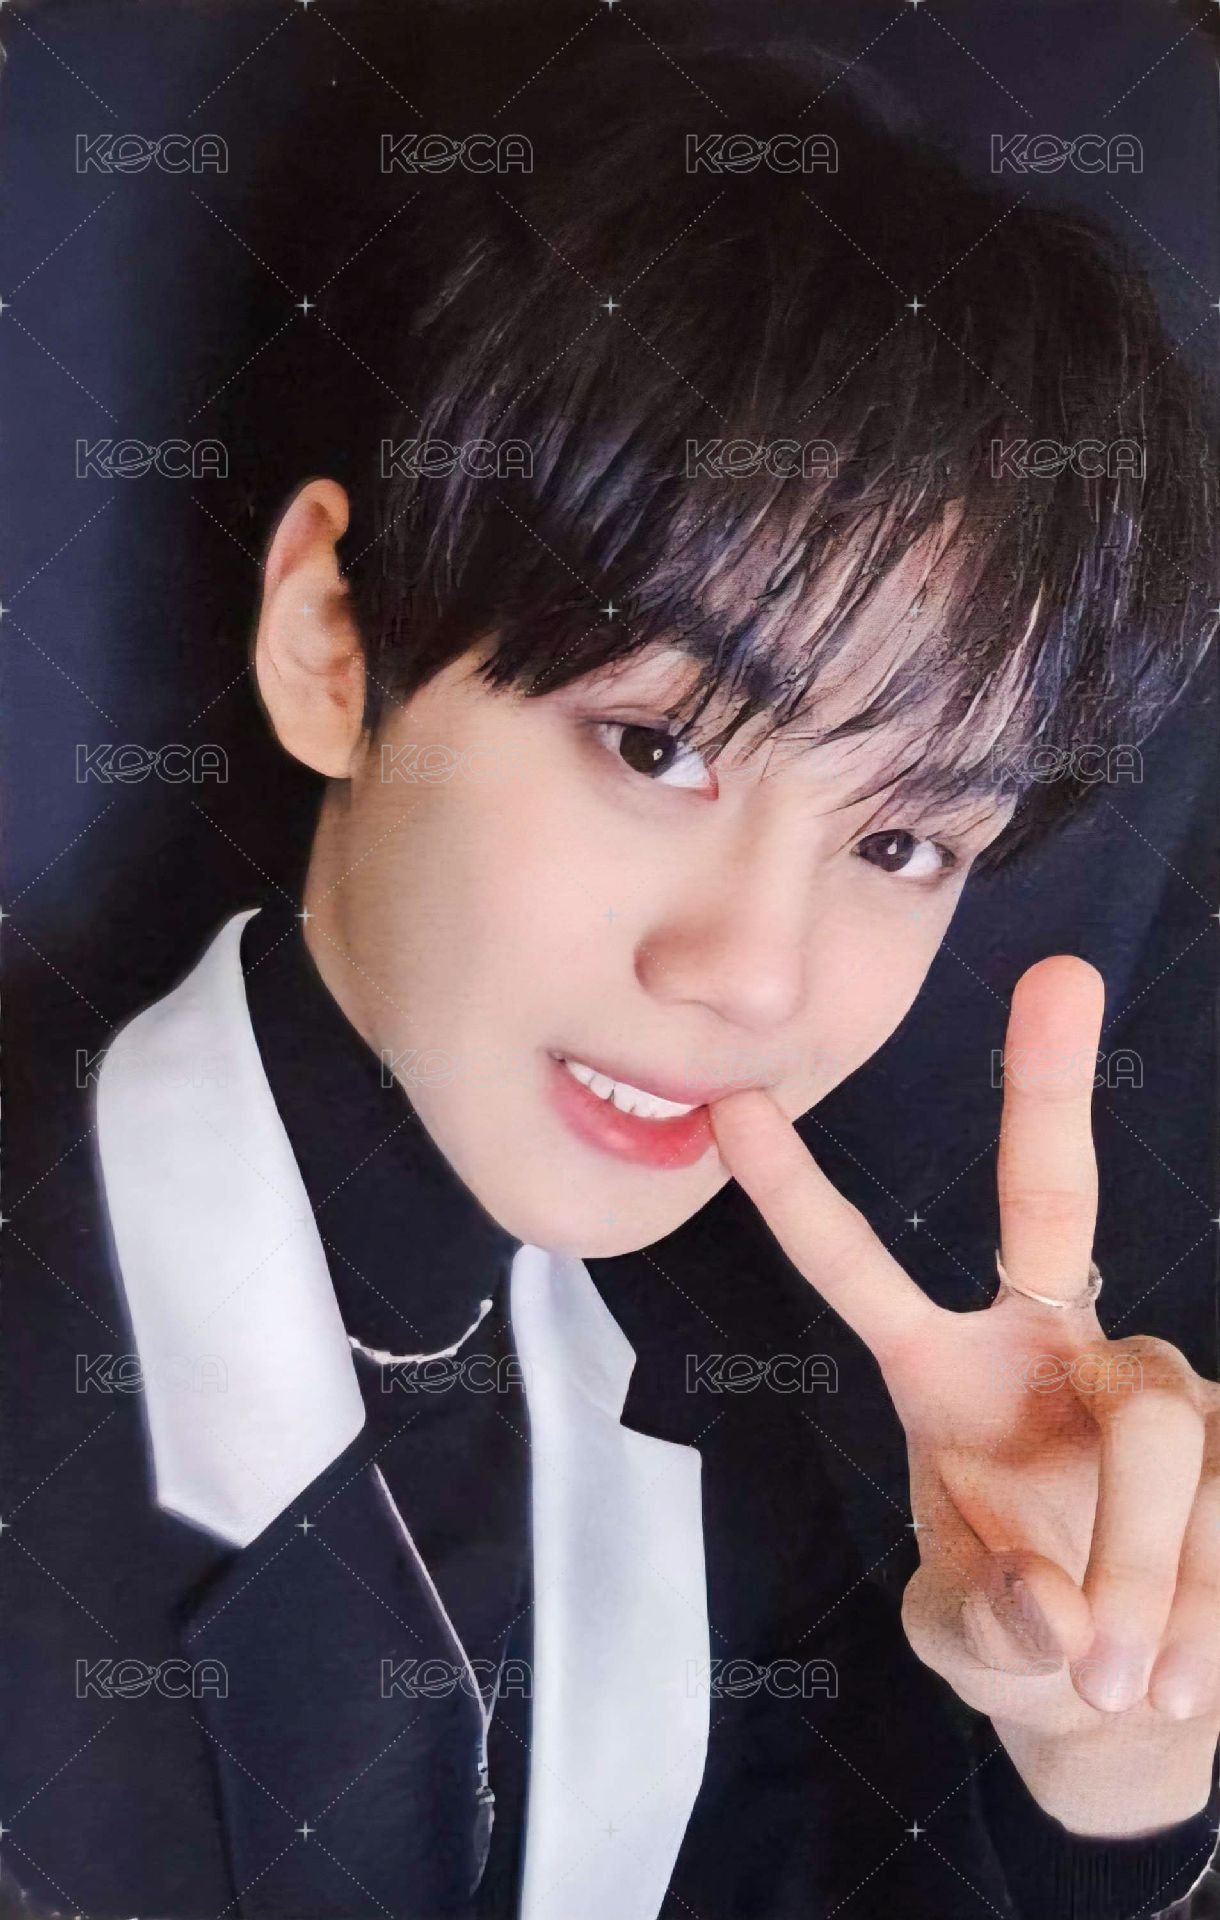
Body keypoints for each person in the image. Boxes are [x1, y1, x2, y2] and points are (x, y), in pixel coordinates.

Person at [3, 39, 1218, 1920]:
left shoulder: (742, 1417)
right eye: (657, 747)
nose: (752, 977)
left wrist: (1110, 1772)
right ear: (331, 644)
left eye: (903, 842)